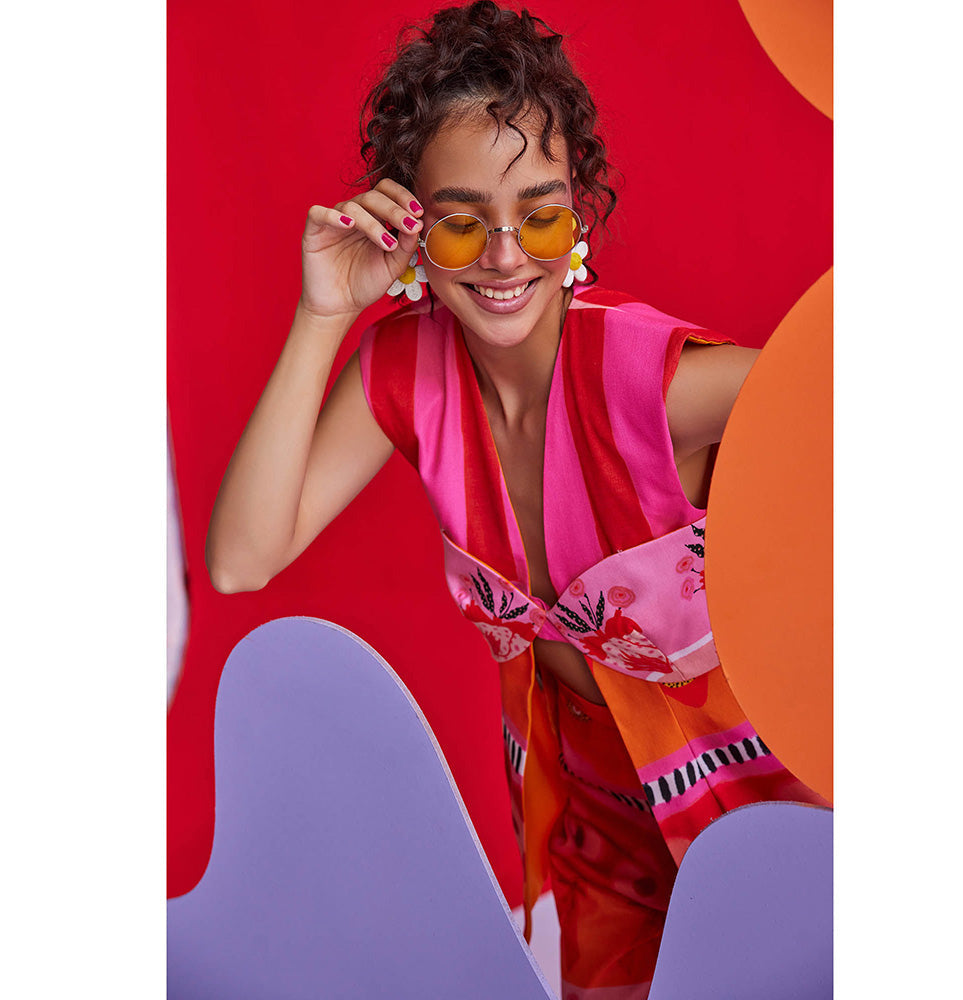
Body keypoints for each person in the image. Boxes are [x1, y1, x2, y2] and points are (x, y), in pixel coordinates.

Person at [206, 3, 827, 997]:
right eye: (461, 224)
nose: (504, 257)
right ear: (409, 226)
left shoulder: (647, 383)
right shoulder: (405, 373)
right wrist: (324, 314)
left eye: (538, 215)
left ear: (577, 213)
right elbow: (242, 560)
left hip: (783, 841)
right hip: (599, 852)